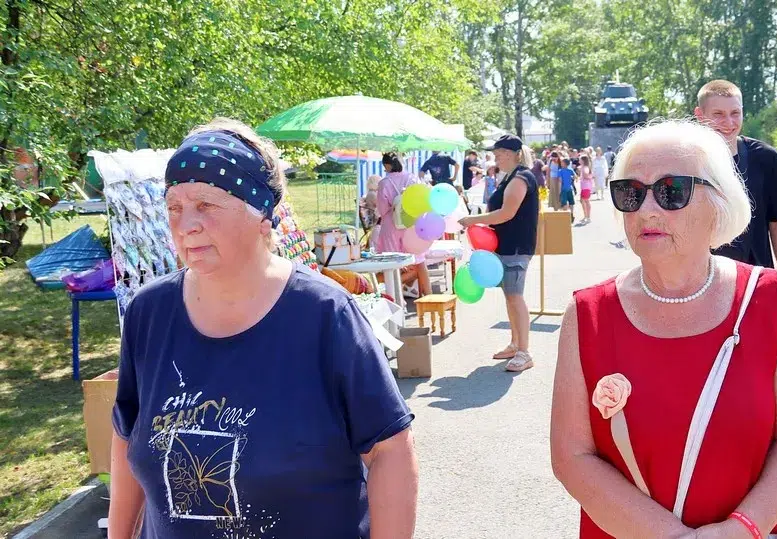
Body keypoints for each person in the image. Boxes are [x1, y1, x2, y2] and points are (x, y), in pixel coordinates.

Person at [107, 118, 418, 539]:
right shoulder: (149, 314)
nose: (185, 224)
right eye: (174, 207)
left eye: (206, 205)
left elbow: (390, 449)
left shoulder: (324, 315)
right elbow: (126, 436)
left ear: (262, 217)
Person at [551, 119, 777, 538]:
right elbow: (573, 457)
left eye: (671, 191)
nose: (646, 209)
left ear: (719, 202)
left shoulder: (767, 297)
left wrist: (740, 529)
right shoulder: (588, 314)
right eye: (630, 192)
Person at [694, 80, 777, 284]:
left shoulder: (765, 158)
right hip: (700, 282)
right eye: (718, 114)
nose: (729, 122)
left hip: (756, 281)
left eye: (735, 113)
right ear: (699, 115)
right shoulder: (685, 160)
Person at [458, 134, 539, 372]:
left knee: (515, 296)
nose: (496, 158)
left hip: (516, 247)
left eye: (500, 153)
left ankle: (524, 352)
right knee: (510, 296)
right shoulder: (511, 177)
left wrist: (473, 219)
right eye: (495, 154)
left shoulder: (521, 177)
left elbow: (506, 213)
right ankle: (515, 344)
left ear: (513, 154)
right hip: (506, 246)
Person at [377, 152, 431, 297]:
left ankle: (396, 298)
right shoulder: (413, 178)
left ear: (387, 165)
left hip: (391, 226)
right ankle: (429, 295)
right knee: (419, 260)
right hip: (411, 224)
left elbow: (382, 210)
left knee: (393, 264)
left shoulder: (384, 183)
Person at [578, 154, 594, 224]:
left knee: (585, 201)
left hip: (586, 187)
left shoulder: (585, 168)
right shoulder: (584, 167)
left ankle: (588, 217)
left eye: (580, 159)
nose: (579, 160)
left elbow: (587, 175)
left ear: (583, 161)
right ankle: (586, 216)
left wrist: (585, 176)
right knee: (583, 201)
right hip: (584, 187)